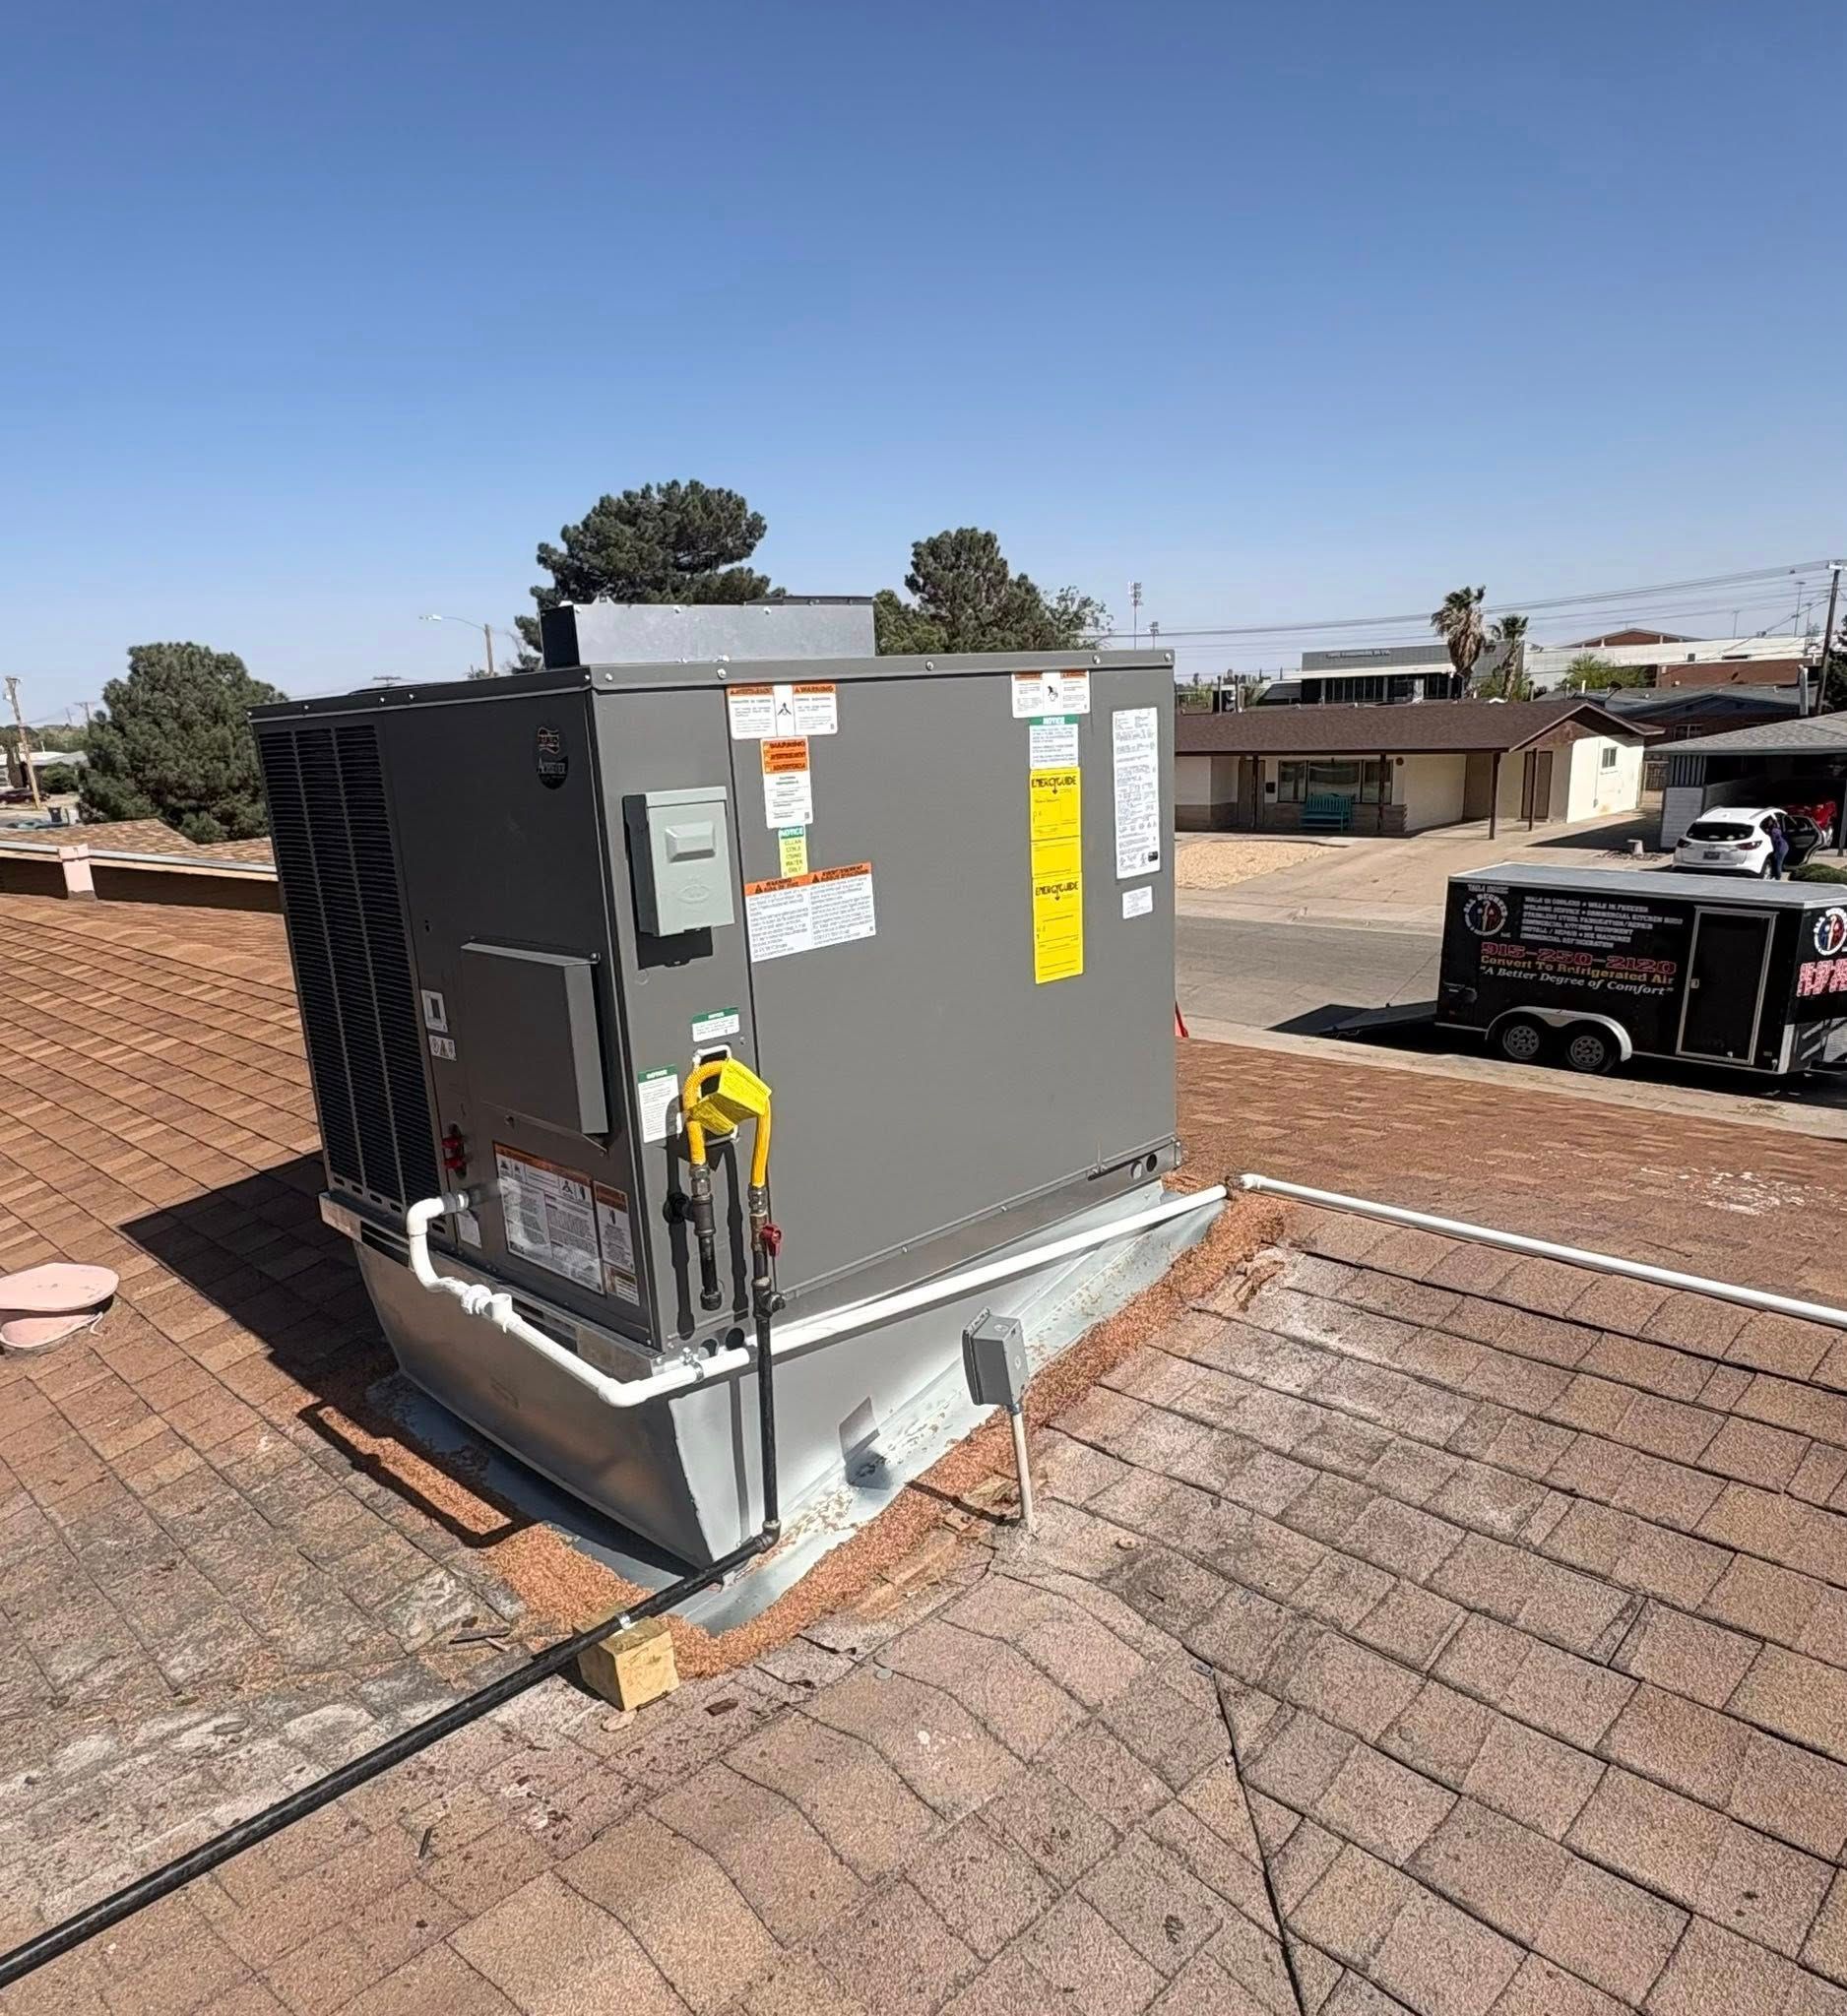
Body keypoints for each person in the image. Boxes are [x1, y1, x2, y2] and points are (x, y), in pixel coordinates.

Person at [1768, 814, 1790, 880]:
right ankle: (1775, 876)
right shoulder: (1777, 828)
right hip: (1784, 846)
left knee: (1778, 862)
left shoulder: (1773, 831)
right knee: (1777, 861)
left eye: (1769, 821)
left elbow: (1774, 841)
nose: (1768, 823)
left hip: (1781, 848)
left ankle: (1778, 878)